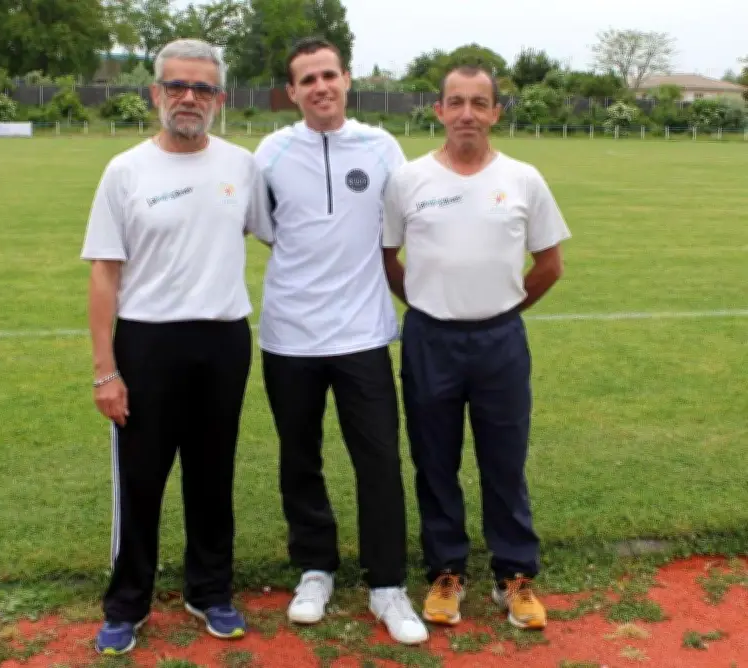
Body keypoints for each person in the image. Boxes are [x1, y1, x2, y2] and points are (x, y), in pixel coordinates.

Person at [80, 38, 274, 655]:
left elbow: (283, 238)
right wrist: (105, 372)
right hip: (147, 342)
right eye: (177, 86)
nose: (189, 98)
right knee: (142, 478)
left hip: (221, 339)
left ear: (220, 98)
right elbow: (104, 274)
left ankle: (210, 590)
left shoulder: (241, 166)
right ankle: (127, 602)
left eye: (203, 88)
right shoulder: (126, 170)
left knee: (212, 475)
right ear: (155, 93)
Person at [381, 65, 571, 631]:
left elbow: (550, 265)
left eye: (479, 103)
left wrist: (505, 309)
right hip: (430, 338)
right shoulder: (407, 180)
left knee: (504, 462)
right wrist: (423, 302)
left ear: (495, 113)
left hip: (499, 342)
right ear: (437, 110)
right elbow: (389, 259)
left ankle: (515, 576)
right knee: (434, 461)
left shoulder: (524, 178)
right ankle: (446, 573)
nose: (467, 113)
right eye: (456, 102)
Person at [252, 37, 428, 646]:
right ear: (292, 91)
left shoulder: (382, 147)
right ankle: (315, 569)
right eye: (307, 79)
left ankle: (387, 585)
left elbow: (397, 228)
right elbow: (273, 231)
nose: (320, 87)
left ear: (346, 80)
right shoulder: (271, 153)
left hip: (362, 334)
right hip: (289, 336)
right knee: (299, 458)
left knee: (378, 459)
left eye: (329, 74)